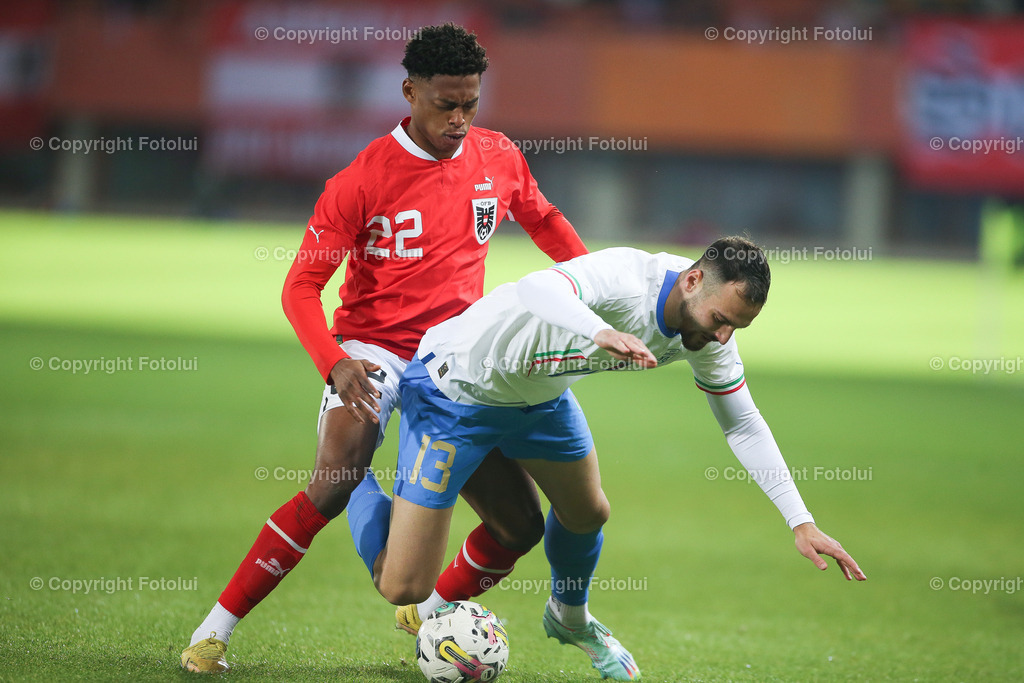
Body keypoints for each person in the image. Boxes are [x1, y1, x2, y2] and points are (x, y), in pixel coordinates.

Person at [180, 23, 589, 673]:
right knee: (335, 480)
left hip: (459, 359)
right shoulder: (362, 179)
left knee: (520, 527)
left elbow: (543, 219)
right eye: (446, 104)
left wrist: (589, 293)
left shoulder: (498, 156)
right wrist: (335, 362)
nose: (459, 120)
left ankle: (426, 614)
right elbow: (300, 288)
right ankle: (213, 632)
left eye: (470, 104)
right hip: (374, 350)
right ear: (409, 92)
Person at [347, 236, 868, 682]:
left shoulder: (709, 333)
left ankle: (569, 616)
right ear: (692, 281)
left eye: (736, 327)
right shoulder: (627, 279)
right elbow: (536, 287)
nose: (722, 337)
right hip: (458, 389)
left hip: (540, 397)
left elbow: (743, 424)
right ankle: (352, 475)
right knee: (402, 585)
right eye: (720, 320)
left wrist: (800, 521)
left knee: (588, 510)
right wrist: (599, 331)